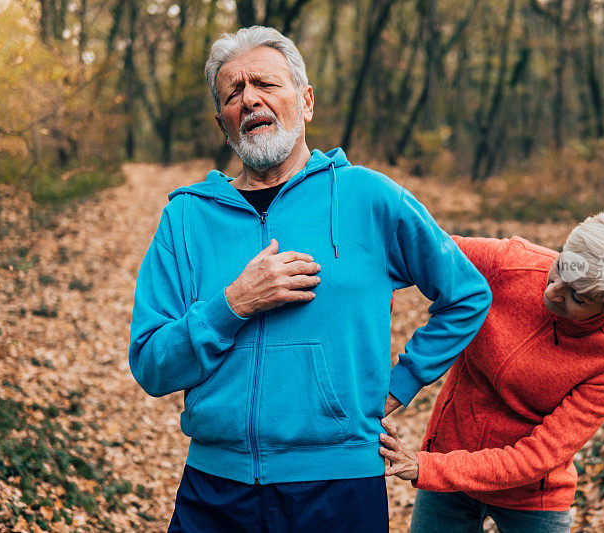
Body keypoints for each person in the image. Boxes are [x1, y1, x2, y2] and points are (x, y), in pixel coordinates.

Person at [128, 26, 492, 533]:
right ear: (223, 124)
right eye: (233, 93)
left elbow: (467, 295)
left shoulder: (369, 197)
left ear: (306, 102)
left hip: (339, 488)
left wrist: (399, 385)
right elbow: (151, 364)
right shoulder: (186, 218)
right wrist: (232, 303)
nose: (249, 98)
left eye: (265, 84)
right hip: (214, 489)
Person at [379, 213, 604, 533]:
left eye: (577, 296)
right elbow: (414, 248)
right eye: (561, 266)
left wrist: (427, 466)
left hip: (531, 496)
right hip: (450, 457)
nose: (554, 292)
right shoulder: (510, 263)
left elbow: (539, 454)